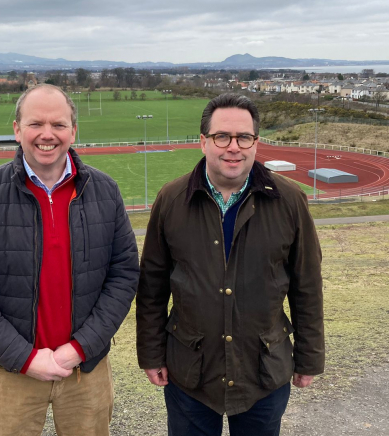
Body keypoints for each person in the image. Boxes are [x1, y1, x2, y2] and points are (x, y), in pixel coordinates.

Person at [0, 84, 140, 436]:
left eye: (59, 125)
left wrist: (79, 348)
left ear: (73, 131)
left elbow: (124, 276)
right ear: (17, 129)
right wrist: (24, 357)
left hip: (86, 370)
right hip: (10, 372)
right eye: (36, 124)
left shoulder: (105, 191)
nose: (47, 135)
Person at [136, 93, 324, 436]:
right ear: (203, 142)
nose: (233, 147)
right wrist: (151, 354)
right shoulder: (171, 200)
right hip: (190, 372)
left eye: (244, 137)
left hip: (264, 372)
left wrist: (310, 358)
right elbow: (152, 286)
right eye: (222, 136)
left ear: (256, 142)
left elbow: (306, 286)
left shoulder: (290, 201)